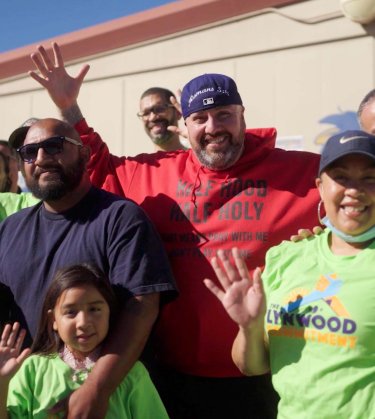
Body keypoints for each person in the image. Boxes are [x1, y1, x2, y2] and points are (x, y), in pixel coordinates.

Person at [28, 42, 321, 419]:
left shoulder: (302, 172)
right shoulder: (159, 173)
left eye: (224, 114)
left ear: (243, 116)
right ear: (185, 125)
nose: (213, 128)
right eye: (200, 118)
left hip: (265, 370)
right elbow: (99, 166)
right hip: (170, 375)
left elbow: (356, 191)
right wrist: (68, 106)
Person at [0, 117, 176, 418]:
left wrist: (97, 388)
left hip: (111, 401)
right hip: (27, 400)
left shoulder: (120, 218)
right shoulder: (10, 228)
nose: (40, 159)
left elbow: (142, 308)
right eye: (29, 152)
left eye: (53, 147)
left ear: (84, 154)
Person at [204, 129, 375, 418]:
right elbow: (252, 366)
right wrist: (250, 326)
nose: (354, 190)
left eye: (370, 178)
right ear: (320, 187)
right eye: (341, 177)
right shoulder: (287, 256)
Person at [1, 264, 169, 418]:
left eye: (95, 309)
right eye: (71, 312)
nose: (83, 322)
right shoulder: (32, 370)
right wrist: (2, 383)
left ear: (109, 312)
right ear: (53, 319)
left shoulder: (132, 374)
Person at [138, 87, 187, 151]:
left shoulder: (197, 158)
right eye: (146, 113)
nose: (152, 118)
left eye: (159, 109)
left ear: (178, 112)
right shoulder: (141, 161)